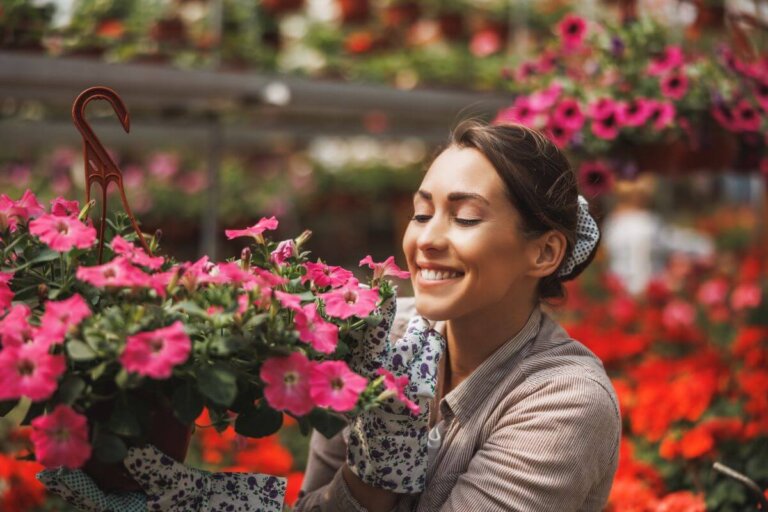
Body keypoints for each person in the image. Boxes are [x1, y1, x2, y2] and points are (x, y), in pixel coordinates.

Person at [41, 120, 620, 512]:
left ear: (543, 252)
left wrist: (368, 486)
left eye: (464, 217)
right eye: (422, 214)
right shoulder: (384, 334)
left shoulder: (565, 400)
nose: (428, 240)